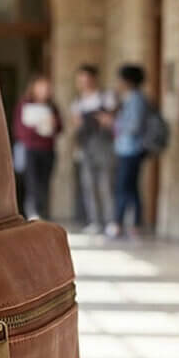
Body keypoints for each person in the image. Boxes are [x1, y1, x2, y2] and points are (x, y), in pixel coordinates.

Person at [71, 64, 116, 234]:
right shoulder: (78, 101)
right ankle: (94, 221)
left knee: (106, 183)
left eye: (87, 79)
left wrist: (102, 119)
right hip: (85, 144)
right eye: (81, 80)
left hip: (103, 144)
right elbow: (75, 124)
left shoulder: (106, 97)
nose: (84, 83)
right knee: (88, 183)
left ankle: (110, 221)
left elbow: (111, 120)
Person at [105, 63, 148, 238]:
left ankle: (119, 223)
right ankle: (133, 224)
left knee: (124, 187)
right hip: (125, 148)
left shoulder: (136, 99)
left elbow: (134, 125)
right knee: (130, 187)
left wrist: (113, 123)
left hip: (132, 149)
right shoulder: (128, 99)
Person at [13, 74, 62, 220]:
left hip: (48, 150)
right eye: (42, 87)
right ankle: (32, 214)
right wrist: (38, 127)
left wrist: (53, 123)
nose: (45, 90)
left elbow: (60, 128)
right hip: (30, 150)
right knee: (32, 183)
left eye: (47, 87)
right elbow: (19, 131)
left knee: (44, 184)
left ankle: (43, 213)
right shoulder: (24, 105)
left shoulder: (52, 107)